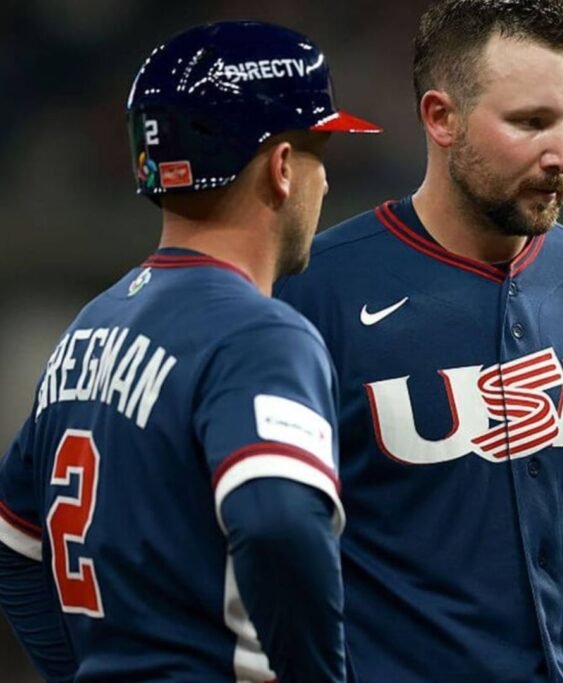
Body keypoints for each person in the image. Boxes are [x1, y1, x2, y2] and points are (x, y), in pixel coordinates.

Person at [275, 1, 563, 681]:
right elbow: (263, 552)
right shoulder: (315, 292)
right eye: (530, 122)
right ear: (440, 118)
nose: (562, 154)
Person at [0, 20, 380, 683]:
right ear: (282, 168)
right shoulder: (259, 333)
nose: (324, 182)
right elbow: (277, 522)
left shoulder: (89, 328)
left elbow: (14, 547)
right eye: (319, 152)